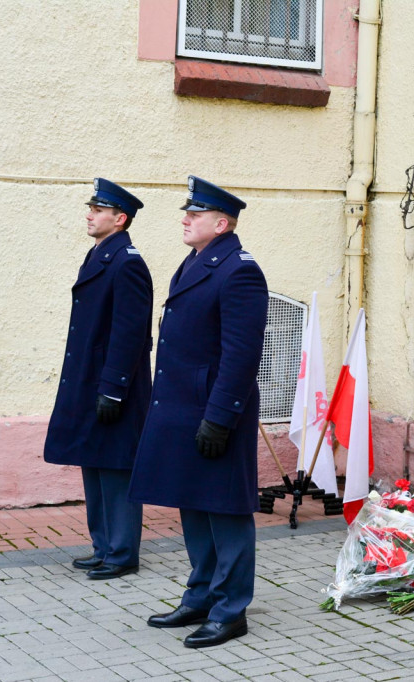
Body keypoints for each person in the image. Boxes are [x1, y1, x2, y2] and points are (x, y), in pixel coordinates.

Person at [129, 176, 268, 649]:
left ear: (222, 223)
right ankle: (201, 596)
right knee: (193, 503)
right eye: (187, 212)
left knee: (226, 510)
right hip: (182, 409)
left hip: (212, 411)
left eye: (195, 214)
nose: (186, 219)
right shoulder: (196, 262)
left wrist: (221, 417)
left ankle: (231, 611)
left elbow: (241, 355)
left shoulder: (240, 271)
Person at [44, 178, 153, 580]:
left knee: (117, 468)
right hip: (92, 380)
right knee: (95, 461)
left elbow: (129, 333)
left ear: (120, 218)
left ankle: (122, 554)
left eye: (98, 209)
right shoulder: (101, 255)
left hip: (113, 385)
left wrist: (113, 388)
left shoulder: (127, 262)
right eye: (91, 207)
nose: (89, 213)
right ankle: (103, 546)